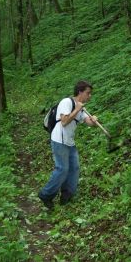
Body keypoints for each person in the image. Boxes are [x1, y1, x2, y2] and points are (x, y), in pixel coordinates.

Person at [38, 80, 98, 209]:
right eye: (88, 93)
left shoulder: (81, 108)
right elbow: (64, 121)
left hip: (70, 142)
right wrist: (77, 109)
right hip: (59, 140)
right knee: (62, 169)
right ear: (80, 92)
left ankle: (66, 195)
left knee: (74, 168)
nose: (90, 96)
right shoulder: (66, 102)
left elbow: (87, 122)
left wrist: (93, 120)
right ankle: (45, 195)